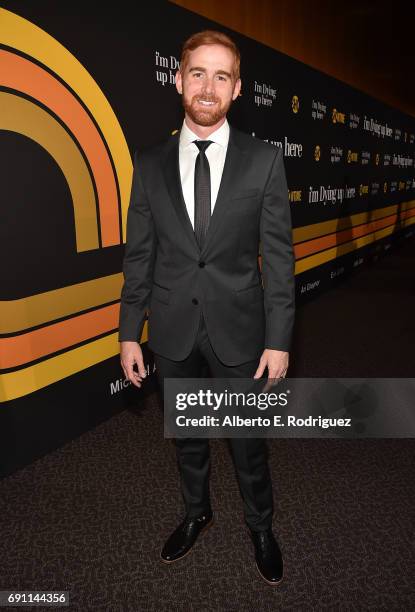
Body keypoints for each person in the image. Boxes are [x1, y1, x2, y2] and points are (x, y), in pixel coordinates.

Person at [118, 30, 295, 586]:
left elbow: (280, 261)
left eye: (222, 76)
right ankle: (197, 512)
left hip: (241, 332)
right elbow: (139, 255)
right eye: (199, 73)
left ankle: (260, 525)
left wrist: (279, 339)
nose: (209, 87)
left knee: (248, 443)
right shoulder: (148, 163)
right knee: (188, 436)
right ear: (179, 79)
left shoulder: (264, 161)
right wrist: (129, 332)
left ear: (238, 89)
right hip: (172, 331)